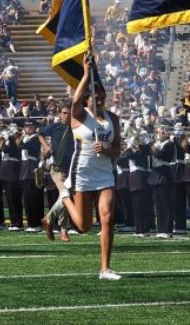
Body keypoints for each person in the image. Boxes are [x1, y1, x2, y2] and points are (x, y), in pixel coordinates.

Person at [53, 52, 123, 280]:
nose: (99, 99)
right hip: (82, 171)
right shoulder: (79, 116)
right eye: (94, 96)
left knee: (107, 218)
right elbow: (75, 102)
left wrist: (107, 150)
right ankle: (65, 196)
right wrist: (85, 73)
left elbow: (118, 149)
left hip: (105, 173)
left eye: (101, 95)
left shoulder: (113, 119)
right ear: (87, 99)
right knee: (84, 226)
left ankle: (105, 269)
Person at [41, 103, 77, 242]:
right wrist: (45, 146)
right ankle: (63, 229)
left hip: (72, 167)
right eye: (64, 113)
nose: (67, 116)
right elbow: (40, 133)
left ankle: (48, 219)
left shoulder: (76, 128)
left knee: (65, 197)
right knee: (65, 194)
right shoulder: (54, 127)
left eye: (69, 113)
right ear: (60, 114)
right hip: (57, 167)